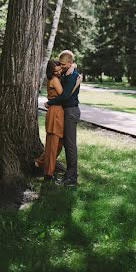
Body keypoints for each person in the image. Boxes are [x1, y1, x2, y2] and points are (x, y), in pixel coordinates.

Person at [35, 59, 81, 183]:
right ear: (51, 71)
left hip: (58, 112)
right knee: (53, 145)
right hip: (56, 112)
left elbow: (68, 67)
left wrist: (73, 67)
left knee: (57, 144)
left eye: (60, 69)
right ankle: (48, 174)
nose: (59, 72)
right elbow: (64, 96)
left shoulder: (57, 78)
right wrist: (77, 84)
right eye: (56, 71)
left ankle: (40, 163)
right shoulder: (55, 80)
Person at [47, 50, 81, 186]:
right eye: (59, 64)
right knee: (67, 144)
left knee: (70, 145)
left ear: (69, 63)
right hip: (67, 111)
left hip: (71, 111)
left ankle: (71, 178)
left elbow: (65, 96)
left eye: (62, 64)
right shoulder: (68, 72)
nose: (60, 66)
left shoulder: (72, 75)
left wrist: (50, 102)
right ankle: (69, 175)